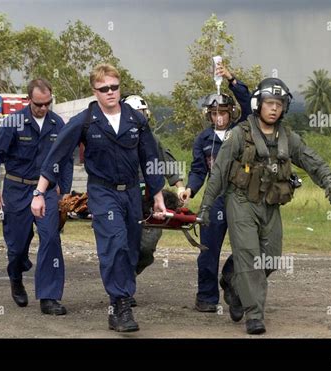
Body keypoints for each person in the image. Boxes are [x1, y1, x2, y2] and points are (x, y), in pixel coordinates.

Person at [199, 77, 331, 334]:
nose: (274, 108)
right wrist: (206, 207)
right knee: (249, 256)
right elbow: (219, 172)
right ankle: (255, 315)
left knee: (271, 259)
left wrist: (330, 181)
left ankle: (234, 284)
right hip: (241, 202)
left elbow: (312, 161)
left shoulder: (288, 137)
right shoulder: (240, 135)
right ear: (258, 104)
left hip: (270, 204)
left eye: (279, 104)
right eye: (269, 103)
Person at [31, 64, 167, 333]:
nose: (110, 92)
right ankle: (120, 306)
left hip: (130, 193)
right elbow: (56, 156)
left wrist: (158, 195)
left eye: (114, 87)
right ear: (94, 91)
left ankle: (121, 300)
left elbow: (150, 159)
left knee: (129, 248)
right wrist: (39, 192)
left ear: (120, 87)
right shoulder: (85, 121)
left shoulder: (136, 121)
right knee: (114, 243)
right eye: (103, 89)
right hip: (102, 192)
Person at [0, 78, 73, 316]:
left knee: (51, 238)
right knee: (17, 245)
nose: (43, 108)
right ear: (28, 100)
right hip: (16, 190)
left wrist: (64, 190)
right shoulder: (14, 122)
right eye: (38, 104)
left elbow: (66, 159)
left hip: (45, 192)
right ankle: (16, 273)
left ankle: (49, 296)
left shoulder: (57, 124)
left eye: (47, 103)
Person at [179, 63, 252, 313]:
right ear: (209, 115)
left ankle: (234, 283)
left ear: (231, 113)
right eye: (214, 113)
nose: (219, 117)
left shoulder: (241, 130)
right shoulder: (203, 140)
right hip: (215, 199)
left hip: (242, 198)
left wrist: (231, 78)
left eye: (223, 112)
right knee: (208, 251)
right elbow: (199, 170)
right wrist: (190, 189)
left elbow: (250, 102)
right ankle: (206, 297)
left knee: (246, 248)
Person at [121, 94, 186, 277]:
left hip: (150, 203)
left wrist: (180, 187)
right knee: (122, 246)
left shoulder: (152, 140)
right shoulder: (114, 140)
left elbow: (168, 164)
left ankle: (130, 275)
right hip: (123, 200)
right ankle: (124, 288)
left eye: (141, 114)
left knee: (146, 248)